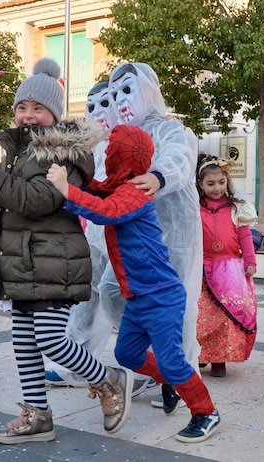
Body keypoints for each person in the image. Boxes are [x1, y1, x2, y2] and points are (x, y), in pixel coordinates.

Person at [0, 58, 133, 445]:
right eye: (22, 107)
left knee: (51, 339)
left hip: (55, 260)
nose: (28, 115)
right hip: (23, 261)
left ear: (53, 114)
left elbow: (37, 201)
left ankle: (109, 380)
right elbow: (3, 207)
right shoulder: (20, 154)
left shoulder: (61, 152)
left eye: (38, 108)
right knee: (24, 341)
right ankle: (38, 415)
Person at [47, 124, 220, 443]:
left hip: (161, 296)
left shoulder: (135, 192)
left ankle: (205, 411)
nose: (107, 154)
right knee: (127, 354)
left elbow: (104, 210)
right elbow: (97, 190)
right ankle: (170, 381)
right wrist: (72, 173)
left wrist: (67, 190)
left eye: (111, 150)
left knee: (172, 360)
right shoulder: (121, 186)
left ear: (123, 157)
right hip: (139, 297)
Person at [108, 62, 202, 411]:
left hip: (174, 232)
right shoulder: (119, 138)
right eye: (115, 93)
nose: (121, 100)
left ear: (149, 90)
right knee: (108, 290)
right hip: (133, 234)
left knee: (179, 309)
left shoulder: (170, 129)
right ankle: (157, 363)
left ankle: (181, 375)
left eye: (128, 90)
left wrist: (159, 176)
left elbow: (180, 158)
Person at [44, 80, 141, 391]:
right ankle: (76, 362)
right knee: (85, 296)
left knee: (117, 294)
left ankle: (144, 364)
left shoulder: (130, 143)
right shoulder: (90, 148)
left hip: (126, 233)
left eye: (105, 104)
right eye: (91, 106)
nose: (98, 112)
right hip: (95, 232)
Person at [196, 155, 258, 378]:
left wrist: (250, 261)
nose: (216, 188)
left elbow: (244, 236)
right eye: (210, 184)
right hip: (200, 268)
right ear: (200, 184)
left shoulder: (236, 208)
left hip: (229, 268)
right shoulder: (195, 207)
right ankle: (202, 354)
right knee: (201, 314)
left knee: (225, 315)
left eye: (221, 182)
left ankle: (220, 360)